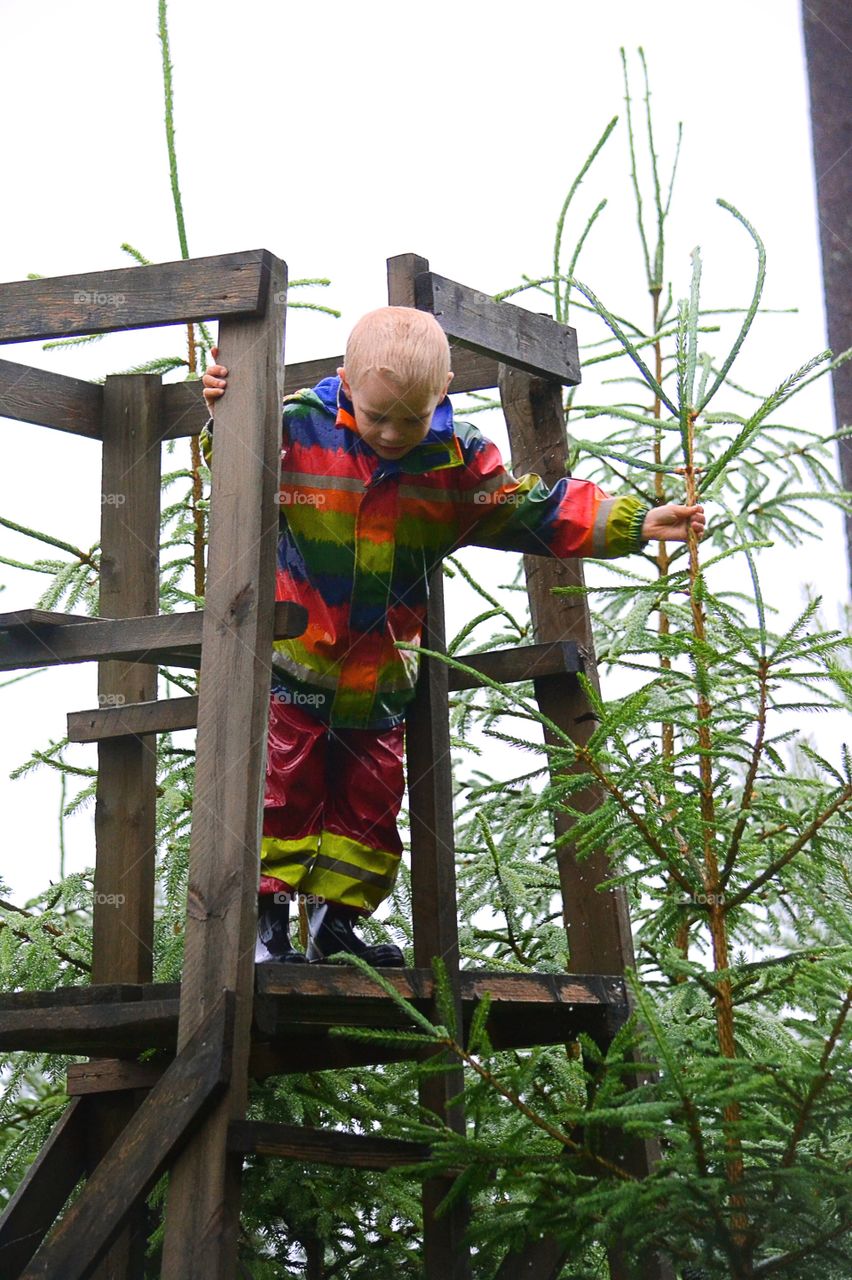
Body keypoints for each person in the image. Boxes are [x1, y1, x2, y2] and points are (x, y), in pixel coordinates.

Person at [201, 307, 704, 966]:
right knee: (283, 793)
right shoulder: (302, 428)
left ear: (439, 396)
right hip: (295, 664)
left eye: (407, 421)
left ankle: (336, 923)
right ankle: (264, 927)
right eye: (376, 416)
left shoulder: (455, 464)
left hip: (380, 680)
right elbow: (238, 460)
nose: (389, 433)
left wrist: (632, 523)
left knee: (370, 807)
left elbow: (533, 511)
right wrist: (224, 409)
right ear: (345, 381)